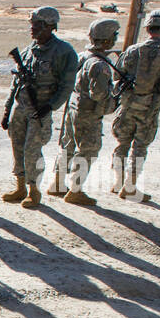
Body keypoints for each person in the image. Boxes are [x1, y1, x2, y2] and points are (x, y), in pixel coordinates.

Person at [3, 6, 78, 208]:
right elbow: (17, 81)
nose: (32, 28)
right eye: (32, 24)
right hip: (21, 109)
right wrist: (7, 109)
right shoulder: (29, 50)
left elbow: (67, 85)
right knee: (17, 146)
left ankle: (33, 190)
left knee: (32, 150)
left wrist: (51, 107)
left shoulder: (64, 52)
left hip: (40, 110)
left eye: (37, 24)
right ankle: (20, 186)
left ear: (49, 26)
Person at [109, 9, 160, 202]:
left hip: (128, 104)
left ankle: (118, 182)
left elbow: (117, 75)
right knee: (140, 147)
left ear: (148, 27)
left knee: (122, 143)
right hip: (150, 107)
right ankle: (130, 187)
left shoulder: (133, 50)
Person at [51, 18, 119, 206]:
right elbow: (98, 94)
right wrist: (113, 99)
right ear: (107, 39)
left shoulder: (82, 56)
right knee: (88, 149)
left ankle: (57, 183)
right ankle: (75, 190)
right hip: (88, 113)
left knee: (67, 145)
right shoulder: (100, 65)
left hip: (73, 107)